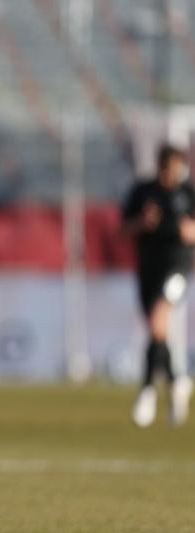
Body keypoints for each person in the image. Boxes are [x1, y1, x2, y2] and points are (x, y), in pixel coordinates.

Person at [122, 144, 195, 427]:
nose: (170, 173)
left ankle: (147, 390)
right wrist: (142, 222)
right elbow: (122, 228)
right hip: (148, 271)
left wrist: (190, 231)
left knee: (156, 322)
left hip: (177, 269)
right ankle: (177, 381)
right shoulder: (144, 192)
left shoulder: (187, 194)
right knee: (157, 330)